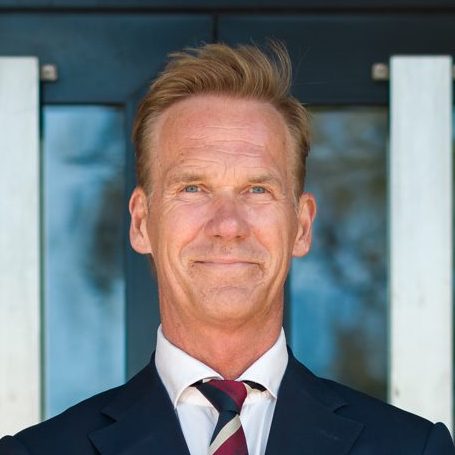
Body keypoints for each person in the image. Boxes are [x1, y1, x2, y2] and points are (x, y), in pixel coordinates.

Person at [0, 42, 454, 455]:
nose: (228, 226)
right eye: (193, 188)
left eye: (257, 190)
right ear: (141, 223)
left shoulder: (414, 449)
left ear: (301, 226)